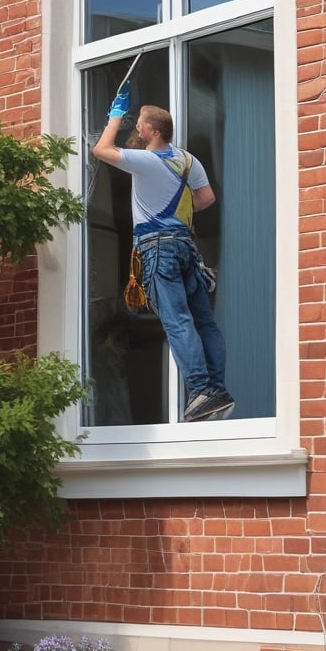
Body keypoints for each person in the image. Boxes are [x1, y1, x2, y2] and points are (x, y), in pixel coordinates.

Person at [92, 81, 235, 422]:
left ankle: (201, 390)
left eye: (140, 124)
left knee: (177, 321)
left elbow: (101, 150)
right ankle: (217, 389)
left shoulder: (146, 161)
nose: (136, 128)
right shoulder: (188, 161)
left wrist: (114, 116)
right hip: (186, 248)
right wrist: (175, 215)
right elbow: (206, 199)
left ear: (154, 132)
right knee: (204, 322)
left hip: (158, 248)